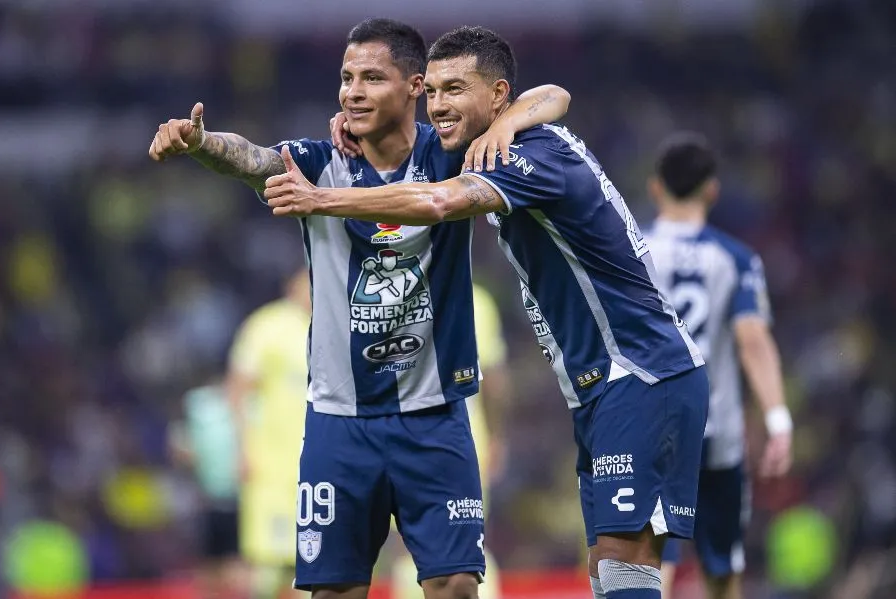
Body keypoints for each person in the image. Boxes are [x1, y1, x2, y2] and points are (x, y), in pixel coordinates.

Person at [264, 26, 710, 599]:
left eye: (456, 90)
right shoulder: (502, 143)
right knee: (609, 570)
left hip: (643, 372)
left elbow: (439, 201)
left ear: (498, 96)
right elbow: (553, 94)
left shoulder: (533, 153)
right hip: (601, 386)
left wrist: (319, 199)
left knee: (626, 566)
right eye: (434, 92)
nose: (440, 105)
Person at [149, 18, 570, 599]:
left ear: (415, 87)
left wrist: (515, 119)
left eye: (373, 77)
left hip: (435, 414)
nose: (353, 91)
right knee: (334, 591)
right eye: (347, 78)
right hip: (338, 422)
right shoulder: (314, 161)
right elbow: (249, 159)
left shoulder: (452, 154)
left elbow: (552, 97)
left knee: (455, 585)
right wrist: (202, 144)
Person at [641, 133, 793, 599]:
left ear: (655, 188)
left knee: (649, 564)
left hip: (653, 431)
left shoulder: (634, 253)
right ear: (712, 191)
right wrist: (777, 418)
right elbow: (753, 342)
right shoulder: (736, 258)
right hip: (719, 435)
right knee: (722, 568)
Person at [390, 282, 510, 599]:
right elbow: (495, 381)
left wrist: (496, 437)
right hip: (462, 435)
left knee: (410, 543)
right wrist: (497, 436)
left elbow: (496, 381)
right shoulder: (477, 300)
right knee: (470, 540)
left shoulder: (395, 294)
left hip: (411, 432)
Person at [228, 269, 312, 599]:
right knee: (265, 563)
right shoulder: (266, 326)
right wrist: (240, 449)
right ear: (291, 284)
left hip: (316, 465)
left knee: (309, 561)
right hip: (271, 468)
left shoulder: (334, 322)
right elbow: (237, 392)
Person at [168, 382, 251, 599]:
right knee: (210, 569)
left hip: (241, 501)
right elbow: (181, 450)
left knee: (238, 568)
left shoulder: (250, 406)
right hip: (208, 501)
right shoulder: (199, 405)